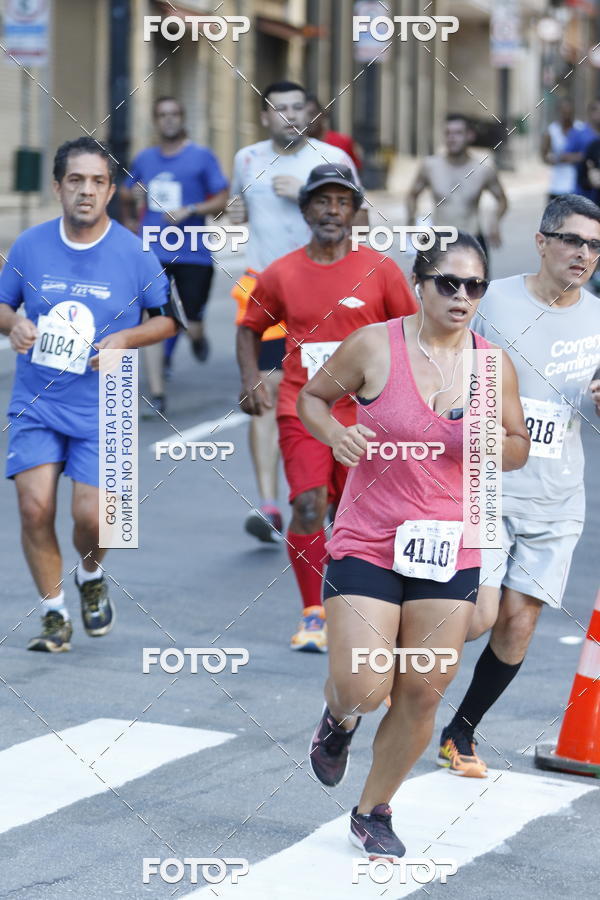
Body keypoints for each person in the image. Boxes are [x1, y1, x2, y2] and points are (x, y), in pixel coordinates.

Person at [298, 232, 529, 858]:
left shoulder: (490, 365)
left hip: (449, 545)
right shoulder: (376, 345)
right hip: (370, 539)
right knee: (367, 686)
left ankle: (373, 810)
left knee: (422, 690)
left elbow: (518, 446)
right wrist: (336, 436)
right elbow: (312, 399)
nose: (461, 296)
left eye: (474, 286)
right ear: (420, 284)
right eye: (447, 283)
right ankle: (338, 718)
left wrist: (484, 438)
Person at [438, 194, 600, 777]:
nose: (584, 254)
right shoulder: (493, 298)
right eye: (573, 241)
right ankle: (398, 683)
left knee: (520, 619)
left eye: (595, 246)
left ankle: (462, 732)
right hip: (488, 482)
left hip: (557, 495)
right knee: (476, 614)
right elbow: (441, 360)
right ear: (542, 241)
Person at [0, 137, 178, 652]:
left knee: (96, 519)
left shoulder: (136, 252)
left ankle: (91, 573)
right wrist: (13, 325)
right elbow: (2, 306)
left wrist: (125, 338)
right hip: (38, 399)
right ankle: (53, 613)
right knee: (34, 508)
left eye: (97, 181)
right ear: (57, 186)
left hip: (111, 400)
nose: (86, 190)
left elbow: (168, 321)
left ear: (110, 190)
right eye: (75, 180)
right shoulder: (31, 245)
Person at [237, 164, 415, 652]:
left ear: (355, 213)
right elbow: (249, 326)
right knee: (309, 504)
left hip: (367, 416)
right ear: (305, 209)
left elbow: (412, 333)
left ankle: (357, 602)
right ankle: (312, 612)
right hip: (303, 408)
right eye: (322, 201)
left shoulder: (380, 271)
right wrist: (251, 378)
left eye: (342, 202)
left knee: (354, 513)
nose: (332, 211)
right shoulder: (282, 273)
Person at [229, 80, 368, 545]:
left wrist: (300, 197)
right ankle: (268, 504)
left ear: (309, 113)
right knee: (268, 394)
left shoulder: (333, 161)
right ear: (264, 116)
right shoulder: (246, 159)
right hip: (269, 294)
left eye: (297, 107)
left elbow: (362, 221)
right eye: (279, 108)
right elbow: (238, 209)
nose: (289, 115)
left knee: (328, 393)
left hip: (327, 296)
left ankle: (331, 494)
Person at [121, 96, 229, 415]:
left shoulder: (201, 157)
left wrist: (191, 209)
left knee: (189, 323)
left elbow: (222, 199)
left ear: (183, 118)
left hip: (193, 253)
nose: (168, 119)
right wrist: (131, 202)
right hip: (152, 250)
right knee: (153, 317)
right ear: (155, 121)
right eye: (162, 114)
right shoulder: (145, 158)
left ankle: (197, 335)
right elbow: (126, 194)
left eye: (174, 113)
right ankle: (157, 392)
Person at [406, 113, 508, 256]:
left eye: (458, 133)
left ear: (470, 136)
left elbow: (502, 199)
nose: (452, 138)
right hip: (439, 241)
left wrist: (494, 222)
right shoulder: (430, 166)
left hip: (472, 240)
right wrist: (411, 222)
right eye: (448, 133)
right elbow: (412, 195)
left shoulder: (483, 169)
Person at [305, 93, 363, 170]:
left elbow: (355, 170)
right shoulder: (295, 146)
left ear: (322, 115)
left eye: (312, 114)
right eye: (304, 115)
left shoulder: (342, 141)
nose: (308, 120)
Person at [541, 98, 584, 201]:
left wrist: (571, 158)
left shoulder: (580, 128)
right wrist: (556, 159)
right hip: (557, 185)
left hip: (576, 184)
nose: (566, 115)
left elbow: (586, 154)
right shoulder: (552, 131)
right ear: (559, 112)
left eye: (568, 112)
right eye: (563, 112)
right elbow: (544, 156)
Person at [558, 98, 600, 198]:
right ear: (590, 113)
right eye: (596, 110)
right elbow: (564, 156)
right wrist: (584, 157)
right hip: (583, 191)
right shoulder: (579, 133)